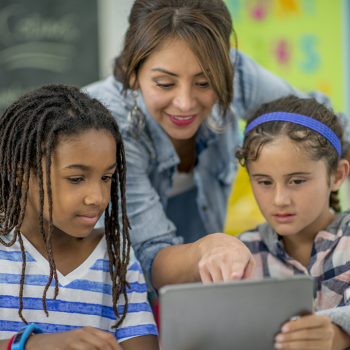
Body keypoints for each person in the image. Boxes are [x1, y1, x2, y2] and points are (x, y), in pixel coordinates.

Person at [84, 0, 349, 292]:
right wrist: (207, 249)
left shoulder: (235, 73)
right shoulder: (106, 126)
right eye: (164, 83)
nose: (185, 103)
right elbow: (148, 257)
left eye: (204, 82)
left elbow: (326, 125)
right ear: (133, 73)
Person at [0, 84, 158, 350]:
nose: (97, 197)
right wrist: (33, 346)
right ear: (21, 173)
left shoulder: (116, 257)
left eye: (106, 177)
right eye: (76, 178)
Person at [236, 95, 350, 350]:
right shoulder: (241, 254)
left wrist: (339, 335)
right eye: (264, 182)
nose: (279, 200)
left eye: (297, 181)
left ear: (337, 176)